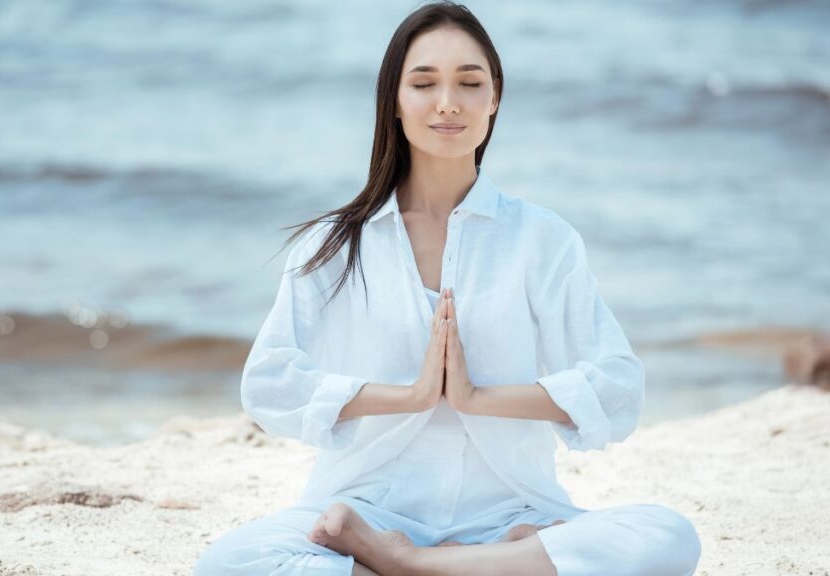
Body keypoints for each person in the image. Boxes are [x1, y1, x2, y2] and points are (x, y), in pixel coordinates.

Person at [195, 2, 702, 574]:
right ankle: (471, 566)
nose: (448, 102)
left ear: (495, 98)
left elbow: (618, 388)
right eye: (424, 82)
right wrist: (409, 395)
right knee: (228, 563)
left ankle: (409, 566)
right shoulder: (333, 246)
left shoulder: (541, 239)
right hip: (369, 508)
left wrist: (476, 399)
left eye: (469, 82)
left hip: (510, 513)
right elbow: (268, 385)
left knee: (668, 535)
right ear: (393, 101)